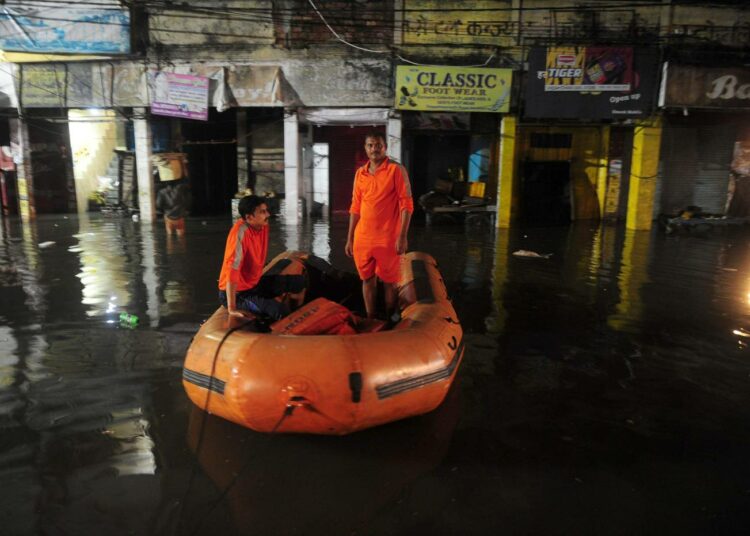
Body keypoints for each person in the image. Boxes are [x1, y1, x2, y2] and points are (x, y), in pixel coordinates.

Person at [345, 132, 413, 321]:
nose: (374, 148)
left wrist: (402, 236)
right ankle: (370, 317)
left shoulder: (396, 170)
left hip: (388, 237)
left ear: (385, 147)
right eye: (370, 145)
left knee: (389, 282)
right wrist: (350, 238)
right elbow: (355, 207)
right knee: (367, 279)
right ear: (366, 148)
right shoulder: (360, 173)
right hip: (363, 238)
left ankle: (390, 316)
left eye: (378, 145)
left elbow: (406, 204)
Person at [218, 195, 306, 320]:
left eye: (266, 210)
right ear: (249, 217)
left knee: (300, 282)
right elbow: (232, 270)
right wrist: (232, 308)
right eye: (262, 212)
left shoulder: (262, 225)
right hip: (239, 293)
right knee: (279, 311)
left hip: (254, 284)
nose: (268, 215)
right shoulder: (240, 234)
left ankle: (299, 316)